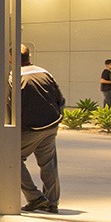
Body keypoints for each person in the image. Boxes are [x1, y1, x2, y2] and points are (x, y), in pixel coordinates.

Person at [19, 45, 65, 213]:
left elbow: (10, 105)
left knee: (10, 158)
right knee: (48, 164)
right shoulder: (45, 72)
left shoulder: (14, 76)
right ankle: (52, 203)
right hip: (50, 125)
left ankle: (35, 198)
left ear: (11, 58)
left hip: (29, 128)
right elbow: (60, 98)